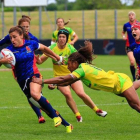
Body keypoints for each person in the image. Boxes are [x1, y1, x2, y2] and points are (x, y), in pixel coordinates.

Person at [32, 40, 140, 114]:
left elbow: (63, 79)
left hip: (120, 82)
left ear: (74, 63)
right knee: (133, 104)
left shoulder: (81, 70)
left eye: (69, 64)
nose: (68, 67)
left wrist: (42, 81)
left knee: (135, 105)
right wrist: (55, 84)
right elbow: (66, 82)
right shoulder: (82, 71)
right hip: (117, 86)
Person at [1, 25, 73, 133]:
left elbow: (44, 48)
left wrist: (57, 58)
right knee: (44, 107)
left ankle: (55, 117)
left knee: (35, 94)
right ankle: (67, 124)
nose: (12, 40)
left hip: (34, 75)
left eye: (14, 37)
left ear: (21, 36)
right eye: (10, 37)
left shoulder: (31, 43)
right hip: (22, 81)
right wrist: (2, 61)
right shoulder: (8, 51)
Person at [35, 29, 107, 122]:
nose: (61, 39)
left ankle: (97, 110)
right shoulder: (52, 48)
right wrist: (37, 60)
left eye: (63, 37)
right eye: (60, 37)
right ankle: (78, 115)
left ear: (67, 38)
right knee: (67, 94)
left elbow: (79, 61)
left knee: (81, 93)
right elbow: (40, 61)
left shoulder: (70, 48)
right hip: (59, 77)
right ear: (57, 38)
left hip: (72, 75)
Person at [0, 15, 45, 124]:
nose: (25, 28)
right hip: (17, 67)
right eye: (23, 26)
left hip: (31, 66)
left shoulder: (33, 38)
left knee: (35, 91)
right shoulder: (10, 37)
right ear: (19, 28)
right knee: (28, 92)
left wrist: (40, 59)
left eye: (27, 26)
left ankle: (45, 110)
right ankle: (40, 115)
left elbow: (42, 49)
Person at [122, 11, 138, 81]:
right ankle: (134, 78)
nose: (131, 16)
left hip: (138, 45)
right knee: (132, 62)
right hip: (129, 46)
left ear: (134, 16)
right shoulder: (126, 25)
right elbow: (123, 32)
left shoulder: (138, 24)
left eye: (132, 15)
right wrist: (123, 36)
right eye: (130, 15)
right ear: (128, 16)